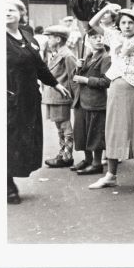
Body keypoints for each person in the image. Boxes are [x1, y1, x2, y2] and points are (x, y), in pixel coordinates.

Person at [87, 4, 134, 193]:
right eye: (124, 22)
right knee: (114, 130)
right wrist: (107, 9)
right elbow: (93, 23)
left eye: (131, 23)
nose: (127, 26)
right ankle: (111, 175)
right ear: (119, 24)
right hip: (117, 89)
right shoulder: (114, 37)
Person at [6, 0, 70, 204]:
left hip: (28, 98)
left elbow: (39, 65)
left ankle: (9, 179)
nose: (7, 13)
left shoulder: (26, 35)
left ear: (21, 14)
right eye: (3, 10)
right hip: (8, 97)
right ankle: (7, 186)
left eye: (11, 10)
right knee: (9, 139)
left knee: (24, 139)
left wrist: (55, 84)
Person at [71, 29, 111, 175]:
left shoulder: (106, 57)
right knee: (82, 132)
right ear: (89, 40)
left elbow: (107, 81)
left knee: (95, 133)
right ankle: (88, 160)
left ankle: (97, 163)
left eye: (101, 37)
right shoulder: (88, 55)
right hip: (81, 100)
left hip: (96, 101)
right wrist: (77, 68)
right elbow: (75, 77)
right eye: (95, 37)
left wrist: (86, 80)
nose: (99, 40)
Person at [41, 25, 78, 168]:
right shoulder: (57, 53)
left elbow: (73, 77)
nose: (48, 40)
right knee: (59, 126)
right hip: (54, 96)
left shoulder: (67, 55)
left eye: (50, 37)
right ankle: (63, 153)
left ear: (58, 39)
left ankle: (67, 156)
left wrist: (75, 98)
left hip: (61, 96)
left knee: (64, 125)